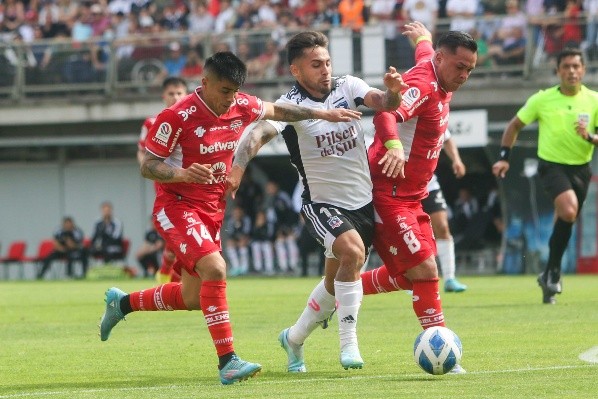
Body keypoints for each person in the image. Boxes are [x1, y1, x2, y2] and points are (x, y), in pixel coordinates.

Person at [98, 50, 363, 385]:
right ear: (204, 82)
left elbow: (278, 110)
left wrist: (322, 112)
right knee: (216, 268)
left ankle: (121, 304)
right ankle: (228, 362)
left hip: (211, 210)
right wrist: (182, 174)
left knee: (194, 296)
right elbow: (147, 166)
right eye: (224, 91)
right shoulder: (176, 116)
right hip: (176, 206)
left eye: (235, 91)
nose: (230, 100)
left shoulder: (241, 104)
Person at [227, 31, 406, 372]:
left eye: (327, 62)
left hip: (363, 204)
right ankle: (349, 345)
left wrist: (394, 94)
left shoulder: (347, 86)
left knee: (332, 283)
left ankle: (293, 338)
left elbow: (383, 103)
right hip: (321, 205)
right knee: (352, 253)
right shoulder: (290, 105)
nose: (325, 70)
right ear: (296, 70)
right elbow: (257, 134)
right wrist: (237, 169)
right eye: (315, 65)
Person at [359, 22, 477, 374]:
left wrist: (422, 38)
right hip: (389, 192)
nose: (465, 75)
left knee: (414, 275)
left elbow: (425, 51)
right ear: (443, 60)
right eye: (460, 67)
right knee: (426, 268)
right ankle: (440, 348)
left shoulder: (438, 65)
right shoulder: (423, 86)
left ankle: (338, 292)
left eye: (470, 69)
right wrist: (393, 144)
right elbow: (386, 112)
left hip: (413, 194)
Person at [492, 48, 598, 305]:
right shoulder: (542, 99)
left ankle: (550, 274)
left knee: (566, 218)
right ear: (558, 71)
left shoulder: (594, 100)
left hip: (582, 168)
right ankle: (553, 272)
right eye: (566, 67)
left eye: (576, 66)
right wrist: (504, 156)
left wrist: (590, 137)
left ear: (583, 70)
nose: (571, 71)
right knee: (569, 211)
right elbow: (514, 125)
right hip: (551, 166)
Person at [137, 76, 187, 284]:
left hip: (191, 181)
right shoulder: (152, 122)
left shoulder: (194, 119)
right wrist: (152, 171)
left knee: (183, 230)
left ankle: (167, 272)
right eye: (171, 94)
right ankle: (171, 275)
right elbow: (142, 153)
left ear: (186, 95)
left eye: (179, 93)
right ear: (163, 96)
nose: (175, 97)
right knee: (174, 228)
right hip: (166, 181)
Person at [422, 133, 468, 293]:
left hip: (428, 184)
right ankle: (411, 278)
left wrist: (456, 159)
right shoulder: (403, 114)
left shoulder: (436, 111)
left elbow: (446, 138)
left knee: (442, 226)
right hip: (403, 183)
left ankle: (450, 278)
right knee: (411, 233)